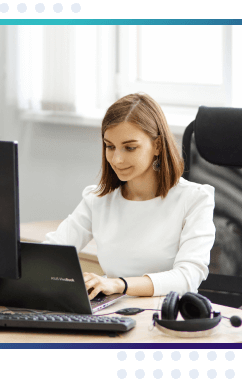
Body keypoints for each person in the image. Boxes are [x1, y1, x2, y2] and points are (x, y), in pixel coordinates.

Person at [42, 93, 216, 300]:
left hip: (165, 316)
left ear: (158, 146)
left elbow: (188, 277)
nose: (117, 159)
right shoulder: (97, 199)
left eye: (130, 147)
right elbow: (52, 253)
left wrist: (118, 284)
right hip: (113, 312)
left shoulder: (195, 199)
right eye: (110, 146)